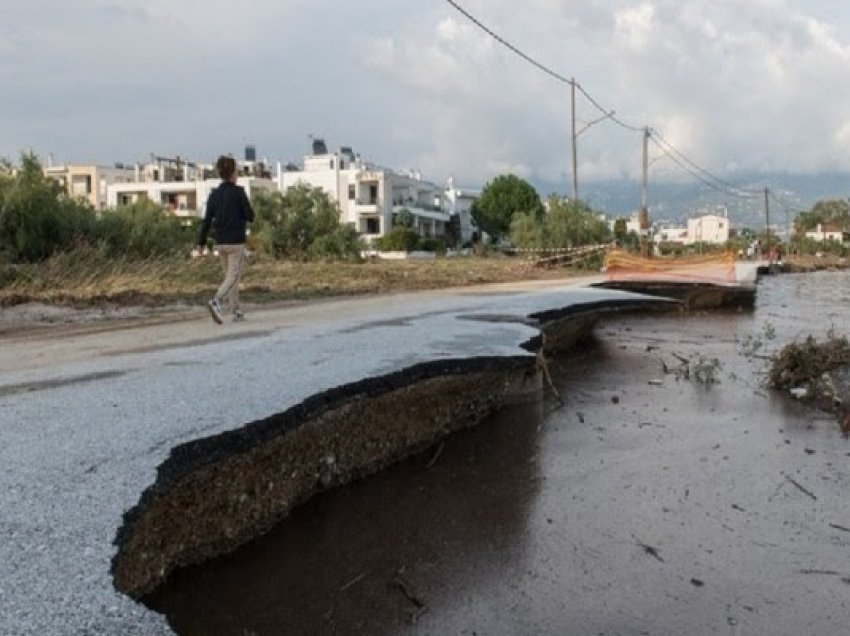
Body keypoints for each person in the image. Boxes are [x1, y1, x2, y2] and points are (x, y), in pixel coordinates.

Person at [195, 155, 255, 324]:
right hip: (236, 243)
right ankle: (216, 301)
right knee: (233, 277)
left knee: (230, 278)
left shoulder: (214, 195)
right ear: (233, 173)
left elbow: (206, 220)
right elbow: (250, 216)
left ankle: (236, 311)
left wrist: (200, 243)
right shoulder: (239, 193)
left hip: (220, 243)